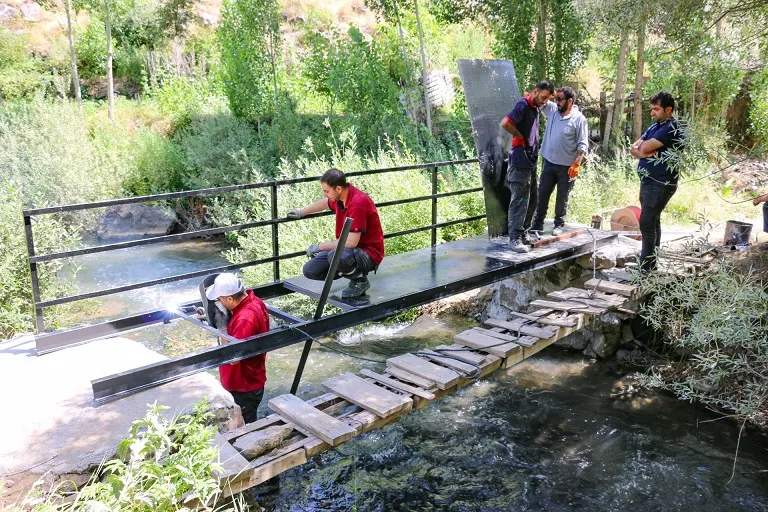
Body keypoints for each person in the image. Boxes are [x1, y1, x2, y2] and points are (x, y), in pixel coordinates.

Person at [287, 168, 384, 298]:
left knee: (335, 255)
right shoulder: (341, 198)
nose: (324, 194)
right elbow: (326, 203)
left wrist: (319, 247)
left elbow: (350, 242)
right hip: (349, 250)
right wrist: (301, 212)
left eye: (326, 191)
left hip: (369, 253)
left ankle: (360, 280)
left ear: (338, 189)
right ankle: (349, 272)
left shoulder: (357, 203)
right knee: (310, 270)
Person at [630, 91, 684, 272]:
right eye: (652, 109)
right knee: (652, 221)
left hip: (661, 183)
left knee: (646, 222)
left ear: (668, 110)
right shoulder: (655, 127)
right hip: (648, 181)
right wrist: (643, 152)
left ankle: (645, 268)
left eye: (656, 109)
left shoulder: (672, 128)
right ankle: (651, 264)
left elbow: (643, 146)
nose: (652, 113)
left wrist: (644, 150)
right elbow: (635, 147)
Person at [205, 272, 270, 424]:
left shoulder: (245, 319)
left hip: (243, 385)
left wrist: (222, 328)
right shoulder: (253, 301)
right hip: (249, 379)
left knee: (245, 427)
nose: (218, 302)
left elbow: (233, 357)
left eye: (219, 299)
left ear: (229, 298)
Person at [500, 80, 555, 253]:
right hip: (520, 160)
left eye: (547, 99)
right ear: (536, 91)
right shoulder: (523, 105)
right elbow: (505, 123)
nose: (544, 101)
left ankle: (523, 232)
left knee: (532, 199)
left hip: (530, 161)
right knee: (519, 200)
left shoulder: (535, 107)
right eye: (543, 97)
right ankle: (514, 238)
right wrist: (519, 136)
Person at [530, 86, 589, 237]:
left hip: (567, 167)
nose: (557, 102)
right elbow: (540, 99)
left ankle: (558, 225)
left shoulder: (579, 119)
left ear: (570, 101)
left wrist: (577, 163)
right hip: (549, 162)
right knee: (542, 194)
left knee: (562, 197)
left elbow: (583, 144)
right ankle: (537, 225)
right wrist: (552, 93)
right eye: (555, 99)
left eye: (560, 100)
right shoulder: (553, 111)